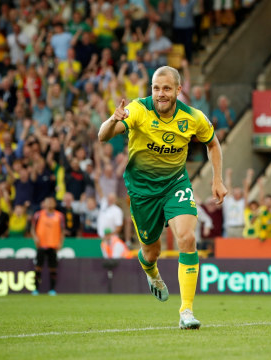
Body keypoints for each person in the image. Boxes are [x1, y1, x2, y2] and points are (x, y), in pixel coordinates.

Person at [98, 65, 227, 330]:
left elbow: (212, 143)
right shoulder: (138, 110)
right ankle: (151, 273)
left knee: (188, 237)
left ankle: (186, 311)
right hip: (142, 192)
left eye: (167, 88)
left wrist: (217, 179)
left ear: (178, 90)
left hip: (174, 184)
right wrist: (113, 120)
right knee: (151, 251)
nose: (161, 94)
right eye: (156, 88)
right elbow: (103, 136)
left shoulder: (193, 117)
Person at [31, 197, 65, 296]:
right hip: (41, 245)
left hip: (53, 245)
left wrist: (60, 243)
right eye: (48, 202)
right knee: (38, 268)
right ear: (44, 203)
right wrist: (35, 238)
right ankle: (35, 289)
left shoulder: (60, 216)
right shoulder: (38, 215)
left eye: (51, 202)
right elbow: (32, 228)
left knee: (53, 269)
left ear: (55, 204)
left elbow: (62, 231)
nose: (50, 203)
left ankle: (52, 289)